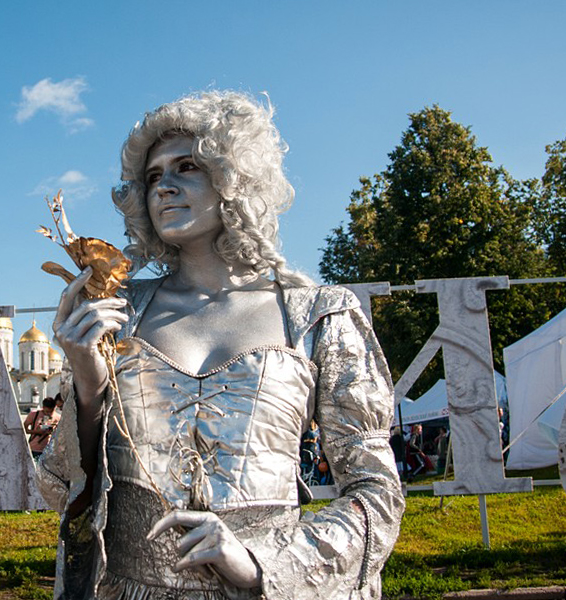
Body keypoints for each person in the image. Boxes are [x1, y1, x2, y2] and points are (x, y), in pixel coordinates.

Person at [37, 91, 403, 599]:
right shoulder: (120, 314)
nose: (163, 186)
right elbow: (59, 486)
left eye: (186, 166)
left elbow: (376, 493)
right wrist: (88, 385)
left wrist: (263, 566)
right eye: (152, 176)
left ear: (235, 177)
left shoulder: (318, 315)